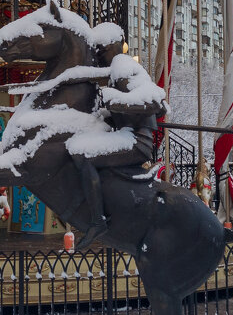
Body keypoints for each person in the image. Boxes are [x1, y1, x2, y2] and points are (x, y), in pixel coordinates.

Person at [71, 28, 166, 249]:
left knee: (81, 154)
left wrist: (115, 101)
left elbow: (156, 104)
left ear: (114, 46)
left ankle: (97, 221)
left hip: (136, 141)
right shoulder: (122, 69)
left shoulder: (123, 67)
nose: (99, 56)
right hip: (127, 135)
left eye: (102, 51)